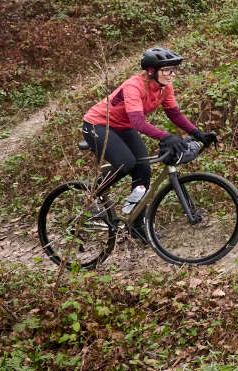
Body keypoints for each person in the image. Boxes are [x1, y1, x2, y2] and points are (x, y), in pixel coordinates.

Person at [80, 47, 217, 238]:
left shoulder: (164, 86)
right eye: (168, 70)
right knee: (124, 163)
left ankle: (136, 225)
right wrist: (165, 136)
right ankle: (91, 194)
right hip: (98, 124)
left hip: (123, 126)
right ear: (152, 71)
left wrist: (197, 133)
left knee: (143, 169)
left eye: (174, 70)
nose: (172, 74)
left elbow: (173, 113)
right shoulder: (134, 86)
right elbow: (138, 122)